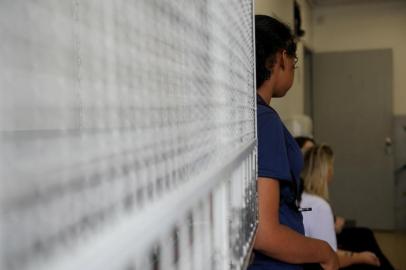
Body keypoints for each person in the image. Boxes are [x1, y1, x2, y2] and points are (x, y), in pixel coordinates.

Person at [249, 15, 339, 270]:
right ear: (279, 59)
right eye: (294, 60)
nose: (294, 67)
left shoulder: (245, 114)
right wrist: (325, 252)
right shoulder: (263, 119)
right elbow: (265, 232)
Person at [295, 137, 395, 270]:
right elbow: (330, 259)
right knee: (369, 259)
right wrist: (360, 257)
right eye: (331, 167)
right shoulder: (319, 206)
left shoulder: (302, 198)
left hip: (307, 260)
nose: (333, 172)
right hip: (315, 264)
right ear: (325, 171)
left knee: (364, 236)